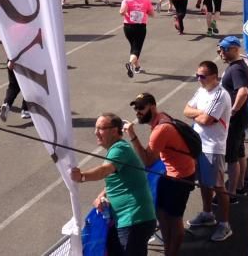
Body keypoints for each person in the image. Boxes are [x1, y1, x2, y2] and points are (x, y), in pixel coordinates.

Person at [70, 113, 156, 256]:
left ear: (115, 130)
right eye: (95, 128)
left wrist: (82, 177)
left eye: (101, 128)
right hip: (127, 221)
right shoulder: (118, 149)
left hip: (133, 220)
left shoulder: (119, 149)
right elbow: (119, 178)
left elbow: (105, 170)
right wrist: (102, 195)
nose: (95, 132)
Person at [125, 93, 196, 256]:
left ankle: (172, 253)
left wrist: (133, 136)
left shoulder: (160, 129)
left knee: (175, 218)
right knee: (161, 212)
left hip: (180, 178)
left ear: (153, 106)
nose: (138, 112)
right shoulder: (162, 118)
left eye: (141, 108)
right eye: (136, 108)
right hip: (171, 173)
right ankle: (168, 249)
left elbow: (148, 161)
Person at [184, 60, 233, 242]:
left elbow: (206, 120)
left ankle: (225, 224)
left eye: (203, 76)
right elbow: (186, 110)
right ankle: (207, 214)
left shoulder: (221, 95)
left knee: (219, 187)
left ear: (214, 76)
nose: (199, 79)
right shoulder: (202, 90)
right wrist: (200, 114)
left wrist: (199, 114)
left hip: (213, 147)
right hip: (199, 145)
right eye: (197, 75)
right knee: (204, 183)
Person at [217, 36, 248, 201]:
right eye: (220, 48)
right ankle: (240, 185)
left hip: (235, 120)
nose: (220, 52)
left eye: (224, 49)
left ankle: (231, 194)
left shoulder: (236, 69)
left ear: (235, 49)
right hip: (240, 118)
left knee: (231, 158)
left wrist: (232, 111)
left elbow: (243, 91)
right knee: (239, 152)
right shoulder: (236, 66)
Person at [120, 0, 154, 77]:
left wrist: (129, 14)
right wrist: (144, 12)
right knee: (136, 49)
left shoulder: (127, 0)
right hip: (140, 27)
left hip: (128, 27)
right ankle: (130, 64)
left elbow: (122, 12)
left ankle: (137, 67)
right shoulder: (146, 0)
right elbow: (152, 14)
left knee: (134, 46)